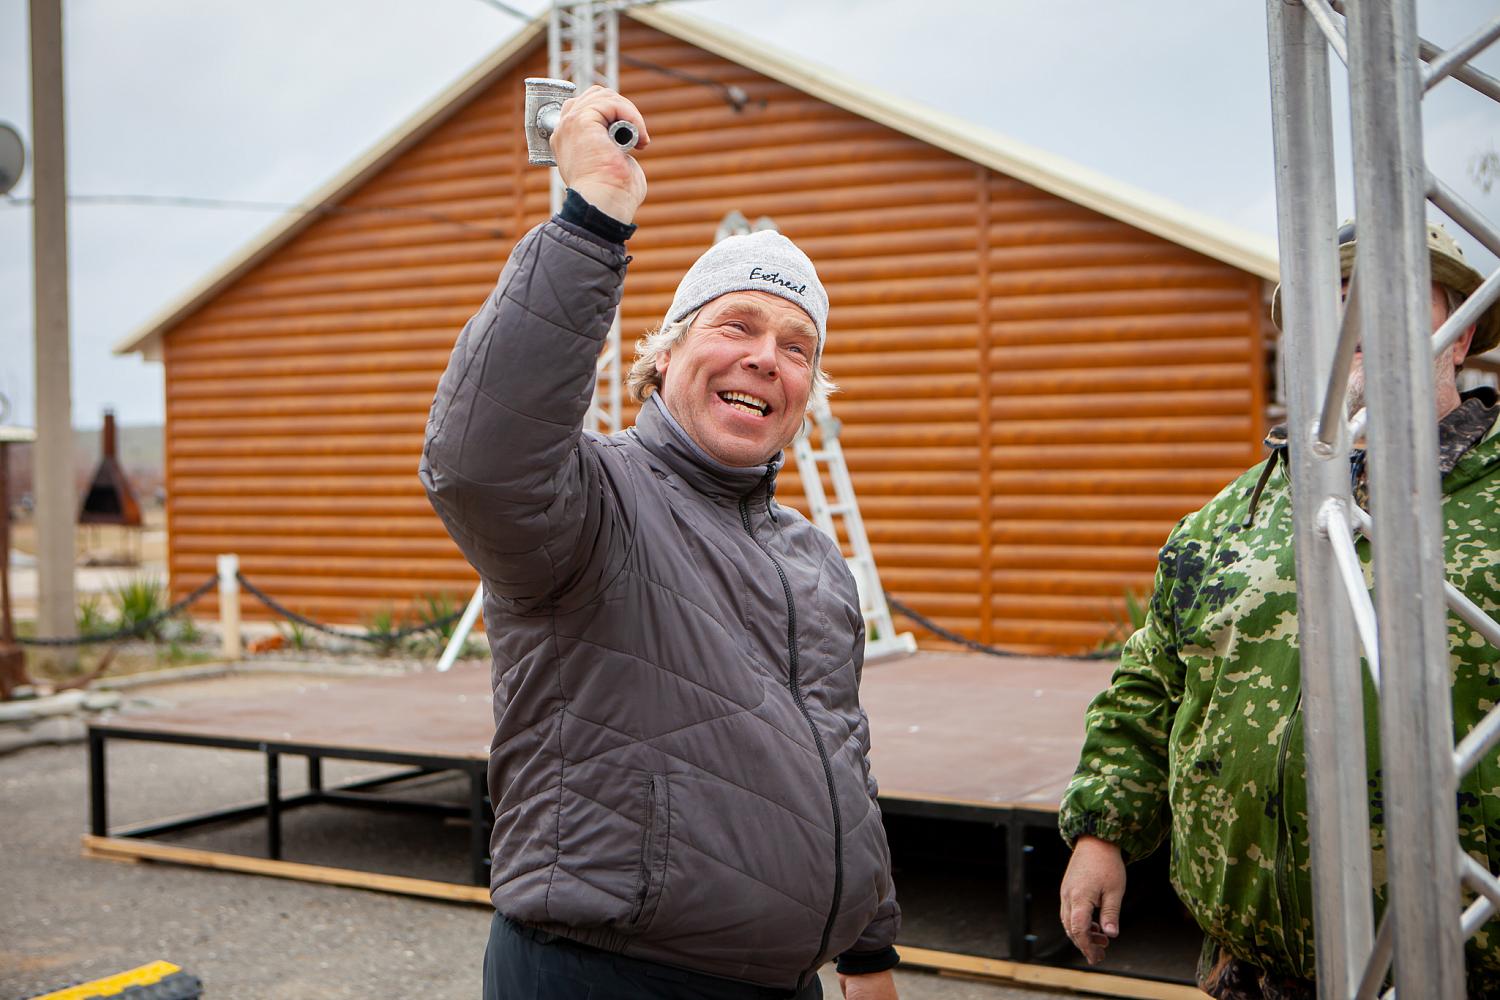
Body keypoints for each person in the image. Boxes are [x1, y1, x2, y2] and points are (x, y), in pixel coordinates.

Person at [420, 86, 899, 1000]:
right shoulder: (591, 500)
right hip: (604, 975)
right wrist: (591, 220)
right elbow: (477, 462)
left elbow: (841, 756)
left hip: (783, 980)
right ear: (664, 356)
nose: (768, 357)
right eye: (738, 325)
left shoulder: (813, 558)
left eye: (798, 347)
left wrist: (870, 951)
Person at [1055, 220, 1500, 998]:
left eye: (1392, 294)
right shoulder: (1230, 519)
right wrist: (1102, 833)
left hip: (1458, 970)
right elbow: (1150, 688)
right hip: (1252, 973)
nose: (1356, 318)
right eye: (1329, 302)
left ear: (1459, 336)